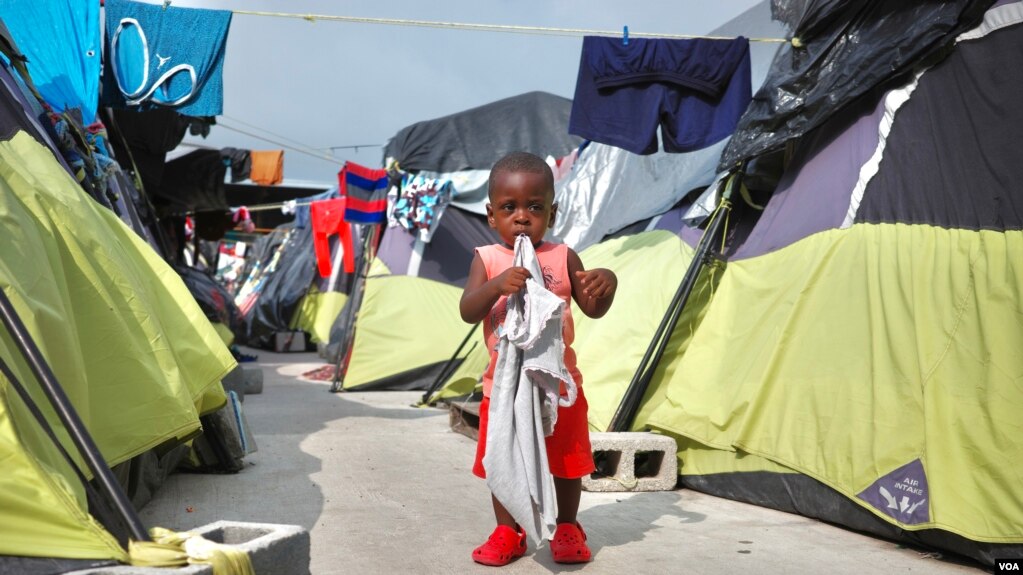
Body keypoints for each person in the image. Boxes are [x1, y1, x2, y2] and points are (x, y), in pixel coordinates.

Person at [460, 151, 617, 566]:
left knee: (566, 461)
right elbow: (467, 310)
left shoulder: (563, 256)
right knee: (503, 457)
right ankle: (507, 531)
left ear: (553, 210)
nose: (523, 217)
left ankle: (566, 526)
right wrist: (497, 285)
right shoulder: (488, 258)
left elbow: (592, 307)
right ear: (491, 215)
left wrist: (608, 283)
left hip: (557, 386)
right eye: (510, 208)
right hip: (505, 388)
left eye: (535, 207)